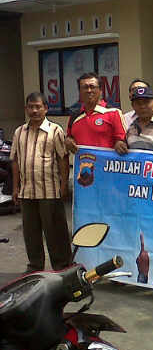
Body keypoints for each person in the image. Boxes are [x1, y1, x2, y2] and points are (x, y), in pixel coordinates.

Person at [11, 92, 71, 272]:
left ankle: (62, 267)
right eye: (31, 107)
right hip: (27, 191)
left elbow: (63, 159)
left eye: (38, 107)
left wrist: (63, 185)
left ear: (46, 108)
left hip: (50, 191)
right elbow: (15, 160)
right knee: (31, 233)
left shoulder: (55, 130)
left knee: (55, 232)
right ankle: (35, 267)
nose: (34, 111)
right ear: (26, 109)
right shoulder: (19, 132)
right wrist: (15, 187)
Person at [65, 72, 127, 155]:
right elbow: (69, 137)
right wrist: (68, 141)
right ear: (79, 91)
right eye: (85, 87)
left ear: (100, 90)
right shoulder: (74, 116)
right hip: (83, 162)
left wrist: (120, 143)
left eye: (92, 87)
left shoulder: (114, 113)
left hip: (106, 162)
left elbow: (123, 140)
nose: (89, 90)